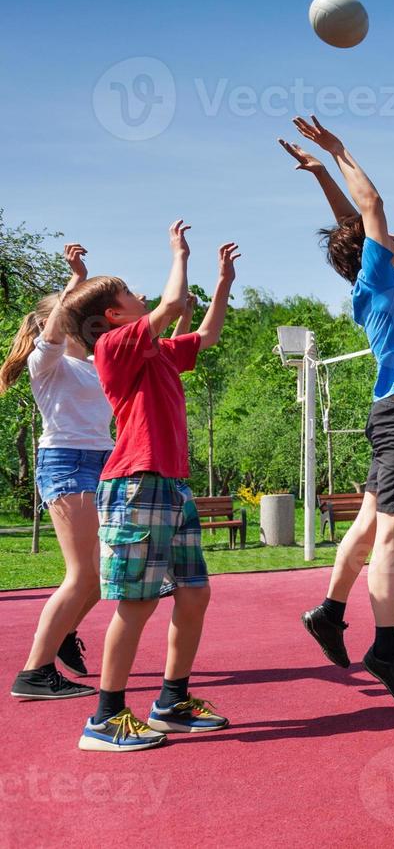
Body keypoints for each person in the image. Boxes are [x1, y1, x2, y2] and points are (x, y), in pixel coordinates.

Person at [64, 223, 239, 750]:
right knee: (137, 603)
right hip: (135, 484)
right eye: (128, 293)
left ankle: (172, 701)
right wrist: (179, 254)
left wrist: (225, 282)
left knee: (195, 593)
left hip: (171, 487)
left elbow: (204, 336)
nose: (139, 295)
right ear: (113, 317)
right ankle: (105, 717)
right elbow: (171, 303)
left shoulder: (156, 353)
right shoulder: (114, 348)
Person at [282, 117, 394, 706]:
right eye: (384, 236)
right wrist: (337, 148)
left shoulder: (380, 280)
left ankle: (329, 612)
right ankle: (387, 649)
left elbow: (353, 220)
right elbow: (369, 205)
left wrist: (322, 174)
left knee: (368, 526)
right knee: (393, 540)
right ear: (372, 250)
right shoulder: (374, 277)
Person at [3, 245, 111, 700]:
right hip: (66, 462)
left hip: (103, 461)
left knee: (101, 577)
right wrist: (75, 280)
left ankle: (62, 631)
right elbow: (49, 338)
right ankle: (34, 672)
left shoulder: (91, 365)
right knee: (80, 576)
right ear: (61, 323)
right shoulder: (45, 364)